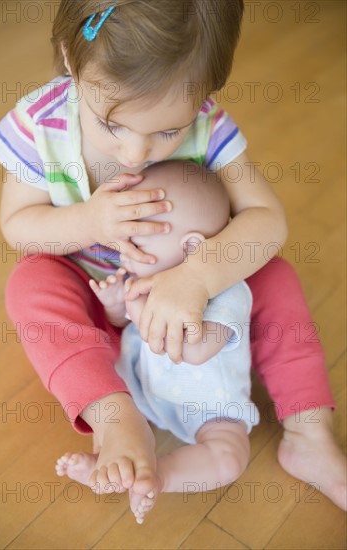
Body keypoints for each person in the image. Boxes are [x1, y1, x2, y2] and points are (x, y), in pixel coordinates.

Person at [0, 0, 345, 515]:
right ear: (70, 58)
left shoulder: (206, 122)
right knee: (29, 285)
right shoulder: (40, 125)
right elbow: (19, 226)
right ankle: (113, 414)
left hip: (190, 289)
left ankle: (308, 430)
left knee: (276, 276)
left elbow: (268, 220)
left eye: (167, 132)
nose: (136, 153)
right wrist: (90, 222)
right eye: (112, 125)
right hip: (94, 294)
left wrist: (196, 277)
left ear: (203, 94)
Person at [56, 160, 260, 523]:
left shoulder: (230, 291)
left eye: (136, 241)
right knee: (114, 413)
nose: (123, 250)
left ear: (192, 245)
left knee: (229, 459)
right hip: (142, 392)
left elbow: (195, 350)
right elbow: (121, 326)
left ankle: (159, 474)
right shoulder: (139, 279)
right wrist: (117, 306)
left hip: (211, 410)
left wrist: (135, 306)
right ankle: (112, 461)